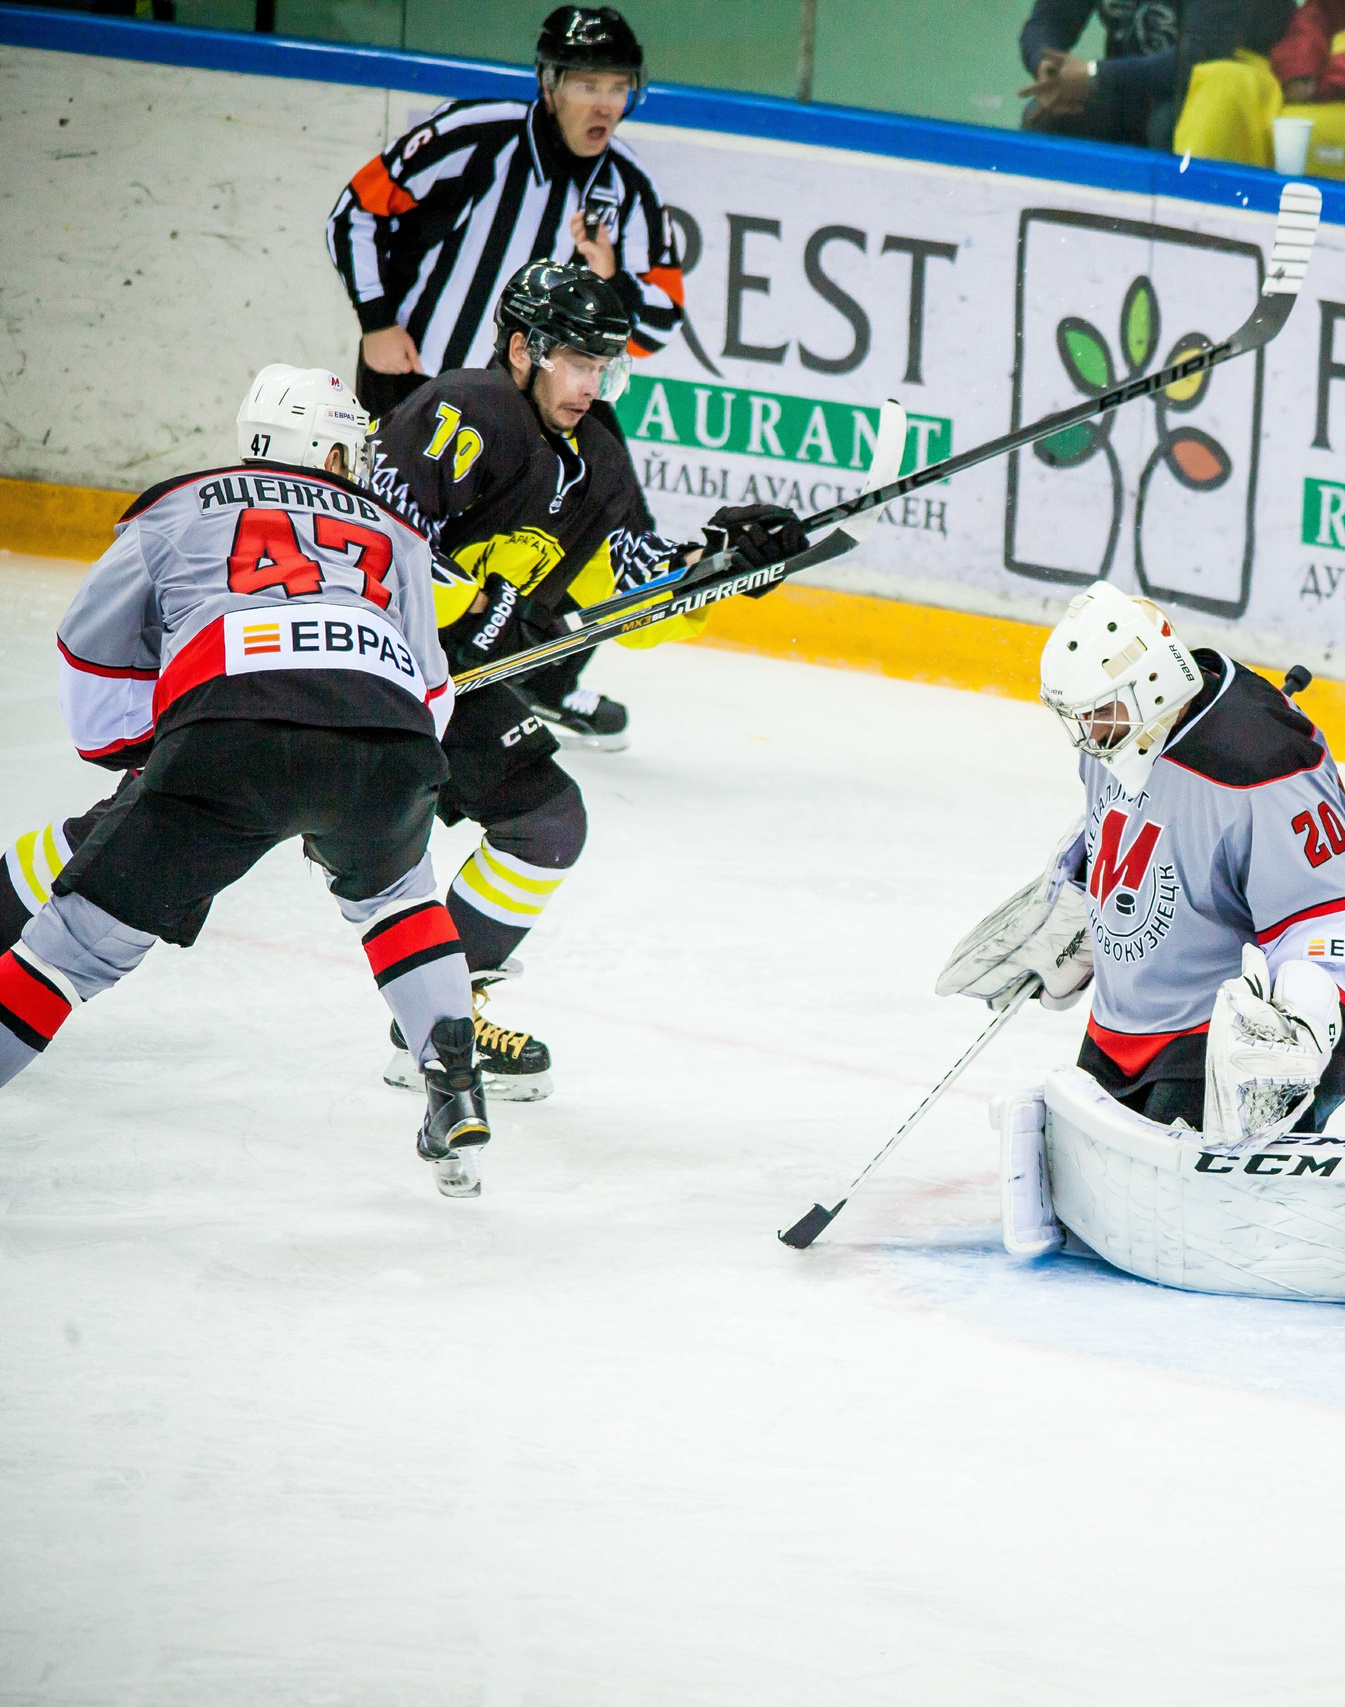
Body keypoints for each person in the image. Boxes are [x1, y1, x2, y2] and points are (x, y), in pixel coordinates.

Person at [938, 582, 1345, 1319]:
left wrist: (1306, 1038)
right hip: (1128, 1027)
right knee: (1102, 1192)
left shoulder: (1260, 764)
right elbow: (1131, 824)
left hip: (1213, 1045)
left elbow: (1344, 907)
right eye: (1078, 717)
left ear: (1152, 682)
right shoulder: (1123, 733)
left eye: (1100, 713)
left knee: (1217, 1204)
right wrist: (1076, 904)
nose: (1087, 732)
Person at [0, 367, 494, 1198]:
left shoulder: (176, 508)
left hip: (229, 731)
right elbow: (430, 694)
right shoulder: (397, 536)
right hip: (388, 739)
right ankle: (453, 1080)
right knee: (401, 895)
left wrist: (148, 747)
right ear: (326, 447)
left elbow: (89, 652)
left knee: (72, 949)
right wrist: (358, 762)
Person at [365, 259, 808, 1102]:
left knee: (546, 819)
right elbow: (374, 545)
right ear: (525, 348)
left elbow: (628, 595)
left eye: (605, 367)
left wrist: (716, 568)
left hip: (452, 686)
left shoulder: (598, 454)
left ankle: (436, 1020)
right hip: (362, 668)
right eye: (577, 362)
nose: (591, 384)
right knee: (210, 816)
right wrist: (469, 605)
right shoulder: (462, 411)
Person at [324, 5, 684, 747]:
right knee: (393, 538)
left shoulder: (631, 189)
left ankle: (536, 681)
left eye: (620, 87)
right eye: (588, 83)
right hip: (418, 378)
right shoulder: (473, 136)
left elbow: (659, 324)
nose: (606, 103)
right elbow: (355, 212)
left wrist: (610, 280)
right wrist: (377, 320)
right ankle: (364, 670)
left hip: (546, 399)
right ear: (550, 84)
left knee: (605, 521)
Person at [1171, 0, 1345, 182]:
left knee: (1303, 135)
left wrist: (1327, 80)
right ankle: (1192, 205)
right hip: (1316, 64)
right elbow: (1316, 12)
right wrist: (1299, 70)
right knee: (1224, 81)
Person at [1019, 0, 1296, 150]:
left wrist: (1094, 76)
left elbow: (1200, 56)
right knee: (1046, 117)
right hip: (1136, 86)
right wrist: (1048, 68)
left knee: (1166, 127)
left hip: (1220, 94)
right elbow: (1048, 22)